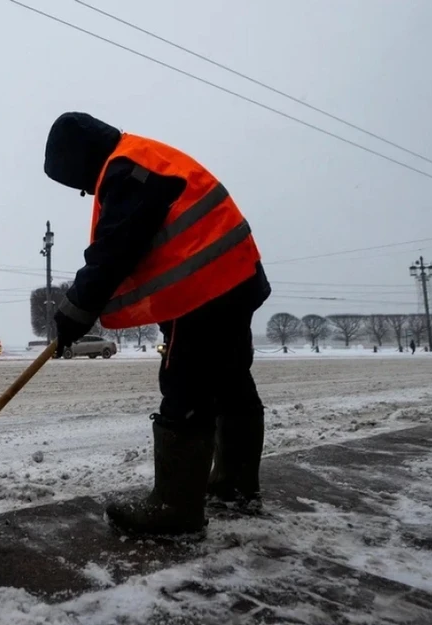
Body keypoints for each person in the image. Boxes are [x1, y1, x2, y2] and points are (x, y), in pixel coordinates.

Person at [44, 112, 271, 536]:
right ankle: (236, 488)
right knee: (230, 381)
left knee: (186, 386)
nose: (83, 191)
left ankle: (175, 509)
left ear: (80, 159)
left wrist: (73, 311)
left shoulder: (128, 170)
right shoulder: (144, 158)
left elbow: (116, 250)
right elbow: (157, 243)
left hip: (205, 291)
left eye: (76, 181)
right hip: (236, 277)